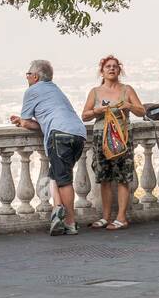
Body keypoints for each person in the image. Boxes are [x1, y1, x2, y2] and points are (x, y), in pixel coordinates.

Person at [11, 59, 87, 236]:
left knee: (64, 180)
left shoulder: (33, 90)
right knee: (57, 174)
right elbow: (46, 122)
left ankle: (70, 223)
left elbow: (28, 122)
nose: (27, 77)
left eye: (28, 74)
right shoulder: (55, 89)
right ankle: (57, 211)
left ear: (35, 76)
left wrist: (22, 122)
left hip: (60, 135)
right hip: (78, 134)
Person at [81, 55, 144, 230]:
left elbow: (141, 110)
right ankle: (106, 216)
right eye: (108, 66)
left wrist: (128, 106)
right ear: (102, 71)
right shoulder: (95, 92)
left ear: (119, 70)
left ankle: (121, 217)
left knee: (123, 176)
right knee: (104, 177)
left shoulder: (127, 90)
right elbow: (84, 115)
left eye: (115, 66)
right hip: (101, 137)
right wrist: (97, 110)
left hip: (122, 137)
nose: (111, 69)